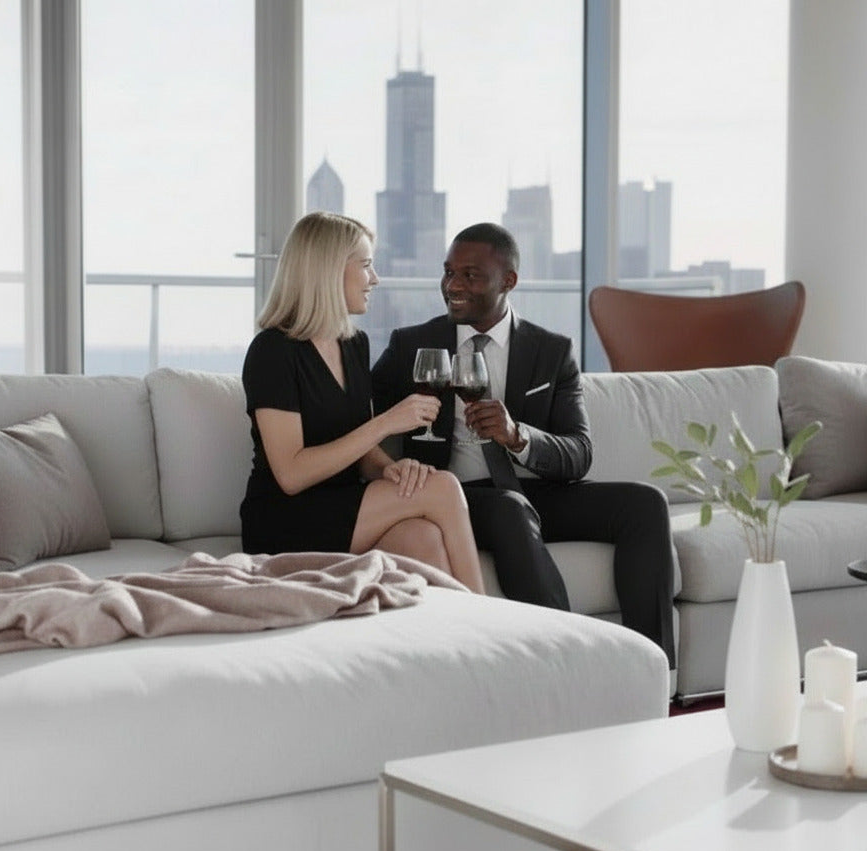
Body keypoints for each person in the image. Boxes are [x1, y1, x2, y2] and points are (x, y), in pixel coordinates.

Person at [371, 221, 675, 665]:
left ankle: (655, 668)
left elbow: (579, 454)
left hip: (534, 492)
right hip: (457, 497)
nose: (452, 286)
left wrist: (517, 436)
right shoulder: (412, 345)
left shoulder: (552, 351)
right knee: (511, 509)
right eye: (448, 272)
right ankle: (568, 660)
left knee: (645, 504)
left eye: (470, 275)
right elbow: (361, 413)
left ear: (508, 280)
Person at [240, 211, 485, 594]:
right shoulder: (272, 352)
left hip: (343, 505)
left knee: (422, 537)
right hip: (284, 518)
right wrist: (388, 421)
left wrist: (391, 470)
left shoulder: (354, 344)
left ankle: (444, 646)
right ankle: (488, 622)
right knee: (445, 488)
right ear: (329, 271)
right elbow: (291, 475)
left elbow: (362, 449)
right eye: (367, 265)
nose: (375, 279)